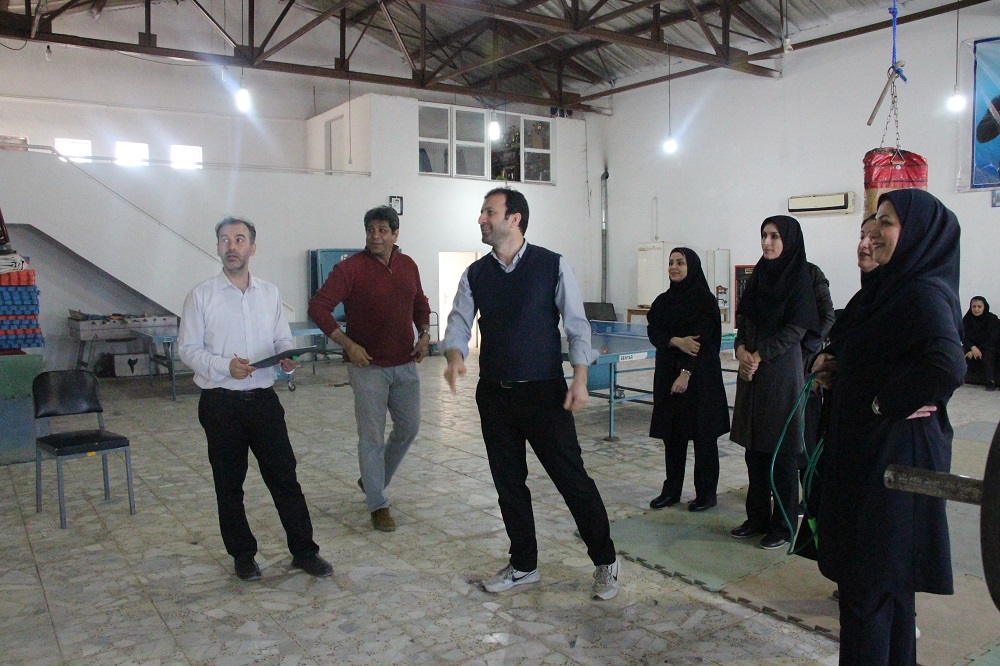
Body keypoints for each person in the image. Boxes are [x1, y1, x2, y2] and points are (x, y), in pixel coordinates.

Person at [442, 187, 621, 600]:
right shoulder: (476, 274)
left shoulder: (551, 265)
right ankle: (523, 565)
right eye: (482, 212)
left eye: (490, 212)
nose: (482, 219)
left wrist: (579, 379)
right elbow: (458, 321)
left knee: (571, 479)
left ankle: (606, 560)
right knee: (509, 484)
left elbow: (577, 325)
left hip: (544, 394)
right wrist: (453, 355)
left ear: (515, 219)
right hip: (494, 395)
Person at [813, 189, 965, 665]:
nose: (874, 232)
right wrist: (836, 367)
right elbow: (875, 351)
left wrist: (886, 402)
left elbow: (947, 364)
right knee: (889, 591)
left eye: (888, 222)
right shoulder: (890, 289)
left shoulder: (922, 292)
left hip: (890, 460)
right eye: (874, 220)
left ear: (917, 234)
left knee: (868, 588)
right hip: (873, 454)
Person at [178, 217, 332, 581]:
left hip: (263, 401)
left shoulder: (269, 293)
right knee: (229, 484)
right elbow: (187, 349)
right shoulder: (201, 295)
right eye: (224, 240)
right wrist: (224, 366)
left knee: (285, 478)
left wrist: (287, 358)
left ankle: (305, 552)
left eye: (239, 239)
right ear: (218, 247)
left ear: (252, 247)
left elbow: (281, 339)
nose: (231, 246)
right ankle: (243, 556)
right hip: (220, 403)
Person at [307, 205, 431, 532]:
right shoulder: (350, 269)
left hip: (405, 364)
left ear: (395, 234)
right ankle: (378, 504)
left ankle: (373, 479)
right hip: (368, 368)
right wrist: (347, 344)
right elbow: (318, 307)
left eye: (382, 230)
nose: (375, 236)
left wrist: (424, 334)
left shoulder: (408, 265)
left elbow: (420, 303)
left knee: (409, 428)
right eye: (370, 230)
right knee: (372, 437)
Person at [730, 215, 819, 550]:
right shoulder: (759, 277)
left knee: (781, 453)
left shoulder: (799, 279)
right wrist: (741, 350)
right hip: (751, 373)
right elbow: (744, 320)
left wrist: (758, 355)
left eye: (775, 236)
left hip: (780, 374)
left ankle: (783, 525)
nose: (767, 242)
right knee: (754, 451)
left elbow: (795, 330)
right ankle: (757, 519)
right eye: (764, 235)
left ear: (790, 240)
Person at [646, 248, 730, 512]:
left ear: (691, 266)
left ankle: (706, 494)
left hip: (700, 379)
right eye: (671, 262)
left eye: (680, 262)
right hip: (667, 376)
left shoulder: (705, 301)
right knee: (673, 437)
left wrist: (686, 373)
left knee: (704, 437)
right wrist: (675, 341)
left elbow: (700, 342)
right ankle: (671, 491)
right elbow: (654, 331)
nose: (674, 267)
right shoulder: (663, 301)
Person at [962, 296, 999, 391]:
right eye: (974, 307)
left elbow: (993, 339)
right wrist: (972, 347)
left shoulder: (992, 319)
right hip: (972, 347)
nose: (976, 309)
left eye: (979, 307)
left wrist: (976, 349)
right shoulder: (967, 319)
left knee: (988, 353)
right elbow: (963, 336)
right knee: (957, 351)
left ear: (984, 307)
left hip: (988, 346)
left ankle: (990, 381)